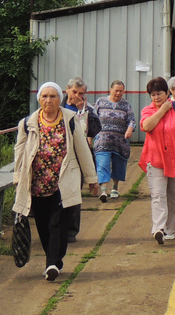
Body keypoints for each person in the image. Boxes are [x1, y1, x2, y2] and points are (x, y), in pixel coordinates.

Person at [14, 82, 100, 281]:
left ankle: (52, 264)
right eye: (44, 96)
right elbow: (19, 152)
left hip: (62, 182)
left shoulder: (69, 120)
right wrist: (18, 177)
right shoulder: (27, 123)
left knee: (57, 224)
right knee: (43, 225)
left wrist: (91, 179)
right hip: (36, 184)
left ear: (59, 98)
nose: (48, 100)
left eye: (53, 96)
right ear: (39, 100)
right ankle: (55, 259)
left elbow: (82, 150)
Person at [139, 76, 175, 244]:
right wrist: (162, 111)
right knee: (158, 196)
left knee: (173, 197)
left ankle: (171, 229)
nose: (156, 97)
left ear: (167, 93)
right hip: (155, 161)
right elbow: (147, 126)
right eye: (153, 94)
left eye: (159, 93)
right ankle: (158, 229)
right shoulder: (148, 111)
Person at [62, 77, 100, 243]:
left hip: (77, 157)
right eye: (74, 92)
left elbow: (94, 130)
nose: (76, 96)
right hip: (57, 156)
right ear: (67, 90)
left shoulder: (88, 108)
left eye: (81, 93)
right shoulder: (57, 104)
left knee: (73, 193)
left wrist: (83, 112)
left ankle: (70, 231)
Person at [93, 80, 135, 203]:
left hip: (120, 141)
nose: (118, 93)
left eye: (121, 91)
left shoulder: (126, 105)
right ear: (110, 90)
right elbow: (93, 118)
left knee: (118, 164)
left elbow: (132, 120)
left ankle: (115, 188)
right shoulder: (101, 101)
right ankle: (104, 191)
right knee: (103, 164)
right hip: (102, 141)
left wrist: (129, 130)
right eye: (116, 90)